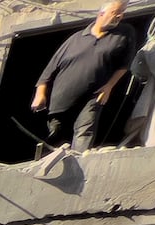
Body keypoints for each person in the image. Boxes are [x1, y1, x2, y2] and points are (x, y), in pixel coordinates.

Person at [32, 1, 138, 151]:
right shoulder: (76, 39)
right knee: (56, 133)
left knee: (85, 130)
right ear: (101, 14)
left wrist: (109, 86)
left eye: (122, 12)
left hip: (95, 94)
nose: (120, 16)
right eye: (115, 12)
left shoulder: (124, 34)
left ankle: (78, 164)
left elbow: (125, 65)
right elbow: (49, 70)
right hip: (62, 98)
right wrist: (40, 94)